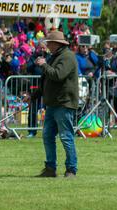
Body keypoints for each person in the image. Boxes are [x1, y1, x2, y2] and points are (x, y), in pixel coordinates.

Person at [34, 30, 79, 178]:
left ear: (56, 44)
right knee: (47, 135)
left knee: (66, 137)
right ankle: (50, 168)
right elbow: (46, 80)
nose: (47, 46)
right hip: (53, 104)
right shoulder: (55, 56)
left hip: (64, 103)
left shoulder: (67, 57)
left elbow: (57, 75)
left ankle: (71, 169)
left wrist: (45, 65)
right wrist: (34, 95)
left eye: (49, 43)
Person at [26, 40, 50, 138]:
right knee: (33, 109)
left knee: (49, 110)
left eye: (44, 47)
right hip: (35, 87)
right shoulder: (33, 57)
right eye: (40, 47)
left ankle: (49, 130)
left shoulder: (49, 57)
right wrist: (34, 64)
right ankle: (32, 131)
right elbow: (28, 69)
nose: (42, 49)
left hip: (47, 86)